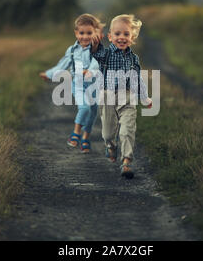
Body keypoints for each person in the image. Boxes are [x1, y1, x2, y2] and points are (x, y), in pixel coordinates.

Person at [91, 14, 152, 179]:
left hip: (127, 97)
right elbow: (96, 54)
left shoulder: (134, 59)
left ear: (132, 38)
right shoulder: (106, 54)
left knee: (127, 130)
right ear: (110, 37)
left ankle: (126, 162)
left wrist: (144, 97)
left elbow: (137, 79)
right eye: (117, 34)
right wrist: (95, 45)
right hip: (108, 97)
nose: (122, 37)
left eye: (126, 34)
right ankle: (110, 146)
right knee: (108, 133)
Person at [39, 14, 104, 154]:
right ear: (76, 33)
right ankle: (75, 133)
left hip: (94, 86)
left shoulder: (98, 49)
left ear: (95, 33)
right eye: (81, 33)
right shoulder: (72, 51)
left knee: (92, 113)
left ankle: (86, 138)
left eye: (89, 33)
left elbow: (97, 63)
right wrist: (49, 74)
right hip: (79, 85)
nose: (85, 37)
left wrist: (91, 71)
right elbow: (62, 65)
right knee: (85, 108)